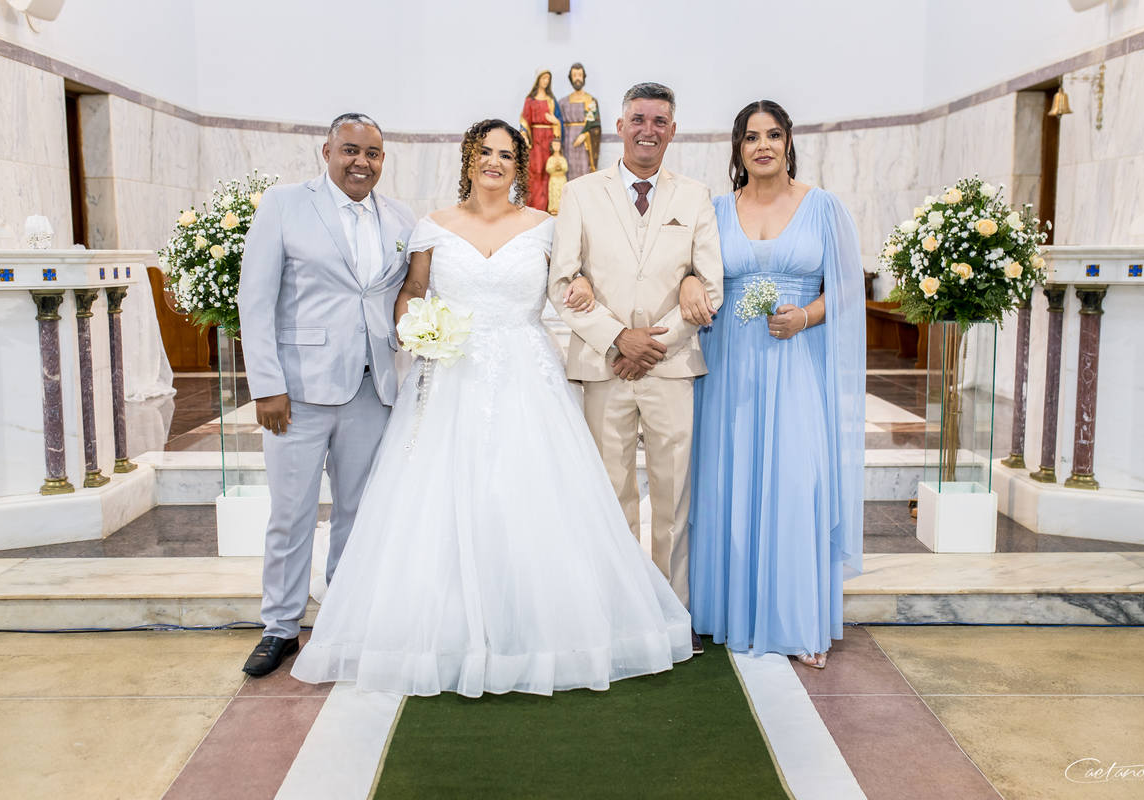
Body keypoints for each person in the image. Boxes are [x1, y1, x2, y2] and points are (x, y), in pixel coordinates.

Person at [289, 119, 691, 697]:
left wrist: (582, 287)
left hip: (527, 377)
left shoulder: (546, 227)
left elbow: (574, 281)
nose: (494, 162)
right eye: (485, 151)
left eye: (506, 153)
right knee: (442, 498)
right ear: (468, 159)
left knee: (528, 494)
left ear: (519, 164)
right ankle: (444, 627)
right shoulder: (433, 227)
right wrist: (414, 328)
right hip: (449, 374)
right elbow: (412, 293)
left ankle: (533, 622)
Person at [681, 100, 865, 669]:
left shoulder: (823, 207)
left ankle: (797, 619)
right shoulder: (714, 210)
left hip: (796, 363)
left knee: (795, 480)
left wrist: (806, 315)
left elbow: (848, 288)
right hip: (729, 368)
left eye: (773, 135)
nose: (763, 145)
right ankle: (725, 611)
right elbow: (687, 269)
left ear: (788, 143)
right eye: (751, 137)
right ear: (738, 148)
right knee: (728, 479)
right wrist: (689, 283)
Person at [236, 113, 417, 677]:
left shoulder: (401, 218)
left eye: (373, 153)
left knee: (358, 510)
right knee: (291, 514)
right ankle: (280, 626)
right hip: (298, 392)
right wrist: (267, 386)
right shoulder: (285, 205)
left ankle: (343, 614)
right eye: (350, 150)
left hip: (371, 386)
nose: (362, 162)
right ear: (327, 151)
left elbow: (403, 294)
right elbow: (254, 299)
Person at [549, 83, 723, 657]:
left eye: (660, 121)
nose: (649, 130)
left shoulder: (695, 197)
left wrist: (651, 346)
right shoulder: (580, 193)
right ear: (620, 126)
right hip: (605, 368)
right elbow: (561, 280)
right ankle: (621, 612)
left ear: (672, 130)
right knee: (611, 494)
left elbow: (710, 285)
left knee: (674, 498)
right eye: (639, 119)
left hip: (671, 369)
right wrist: (616, 339)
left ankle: (673, 612)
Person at [519, 69, 561, 211]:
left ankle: (548, 207)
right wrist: (524, 135)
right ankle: (533, 207)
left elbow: (559, 121)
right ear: (538, 80)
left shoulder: (551, 101)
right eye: (543, 78)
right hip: (535, 139)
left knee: (549, 170)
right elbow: (524, 121)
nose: (546, 81)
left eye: (548, 79)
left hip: (549, 139)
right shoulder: (529, 100)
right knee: (535, 171)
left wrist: (555, 122)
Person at [560, 62, 601, 178]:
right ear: (570, 78)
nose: (577, 78)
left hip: (585, 144)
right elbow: (558, 126)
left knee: (584, 171)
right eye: (574, 75)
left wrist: (585, 134)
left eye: (580, 75)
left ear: (583, 77)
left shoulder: (591, 101)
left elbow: (596, 126)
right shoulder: (563, 102)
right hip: (568, 143)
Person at [546, 139, 568, 215]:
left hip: (561, 179)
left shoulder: (562, 159)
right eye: (554, 145)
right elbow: (548, 168)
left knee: (561, 193)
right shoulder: (551, 159)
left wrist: (560, 166)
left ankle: (561, 208)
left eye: (558, 145)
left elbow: (565, 168)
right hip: (554, 179)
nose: (556, 147)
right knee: (554, 193)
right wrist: (554, 167)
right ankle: (553, 208)